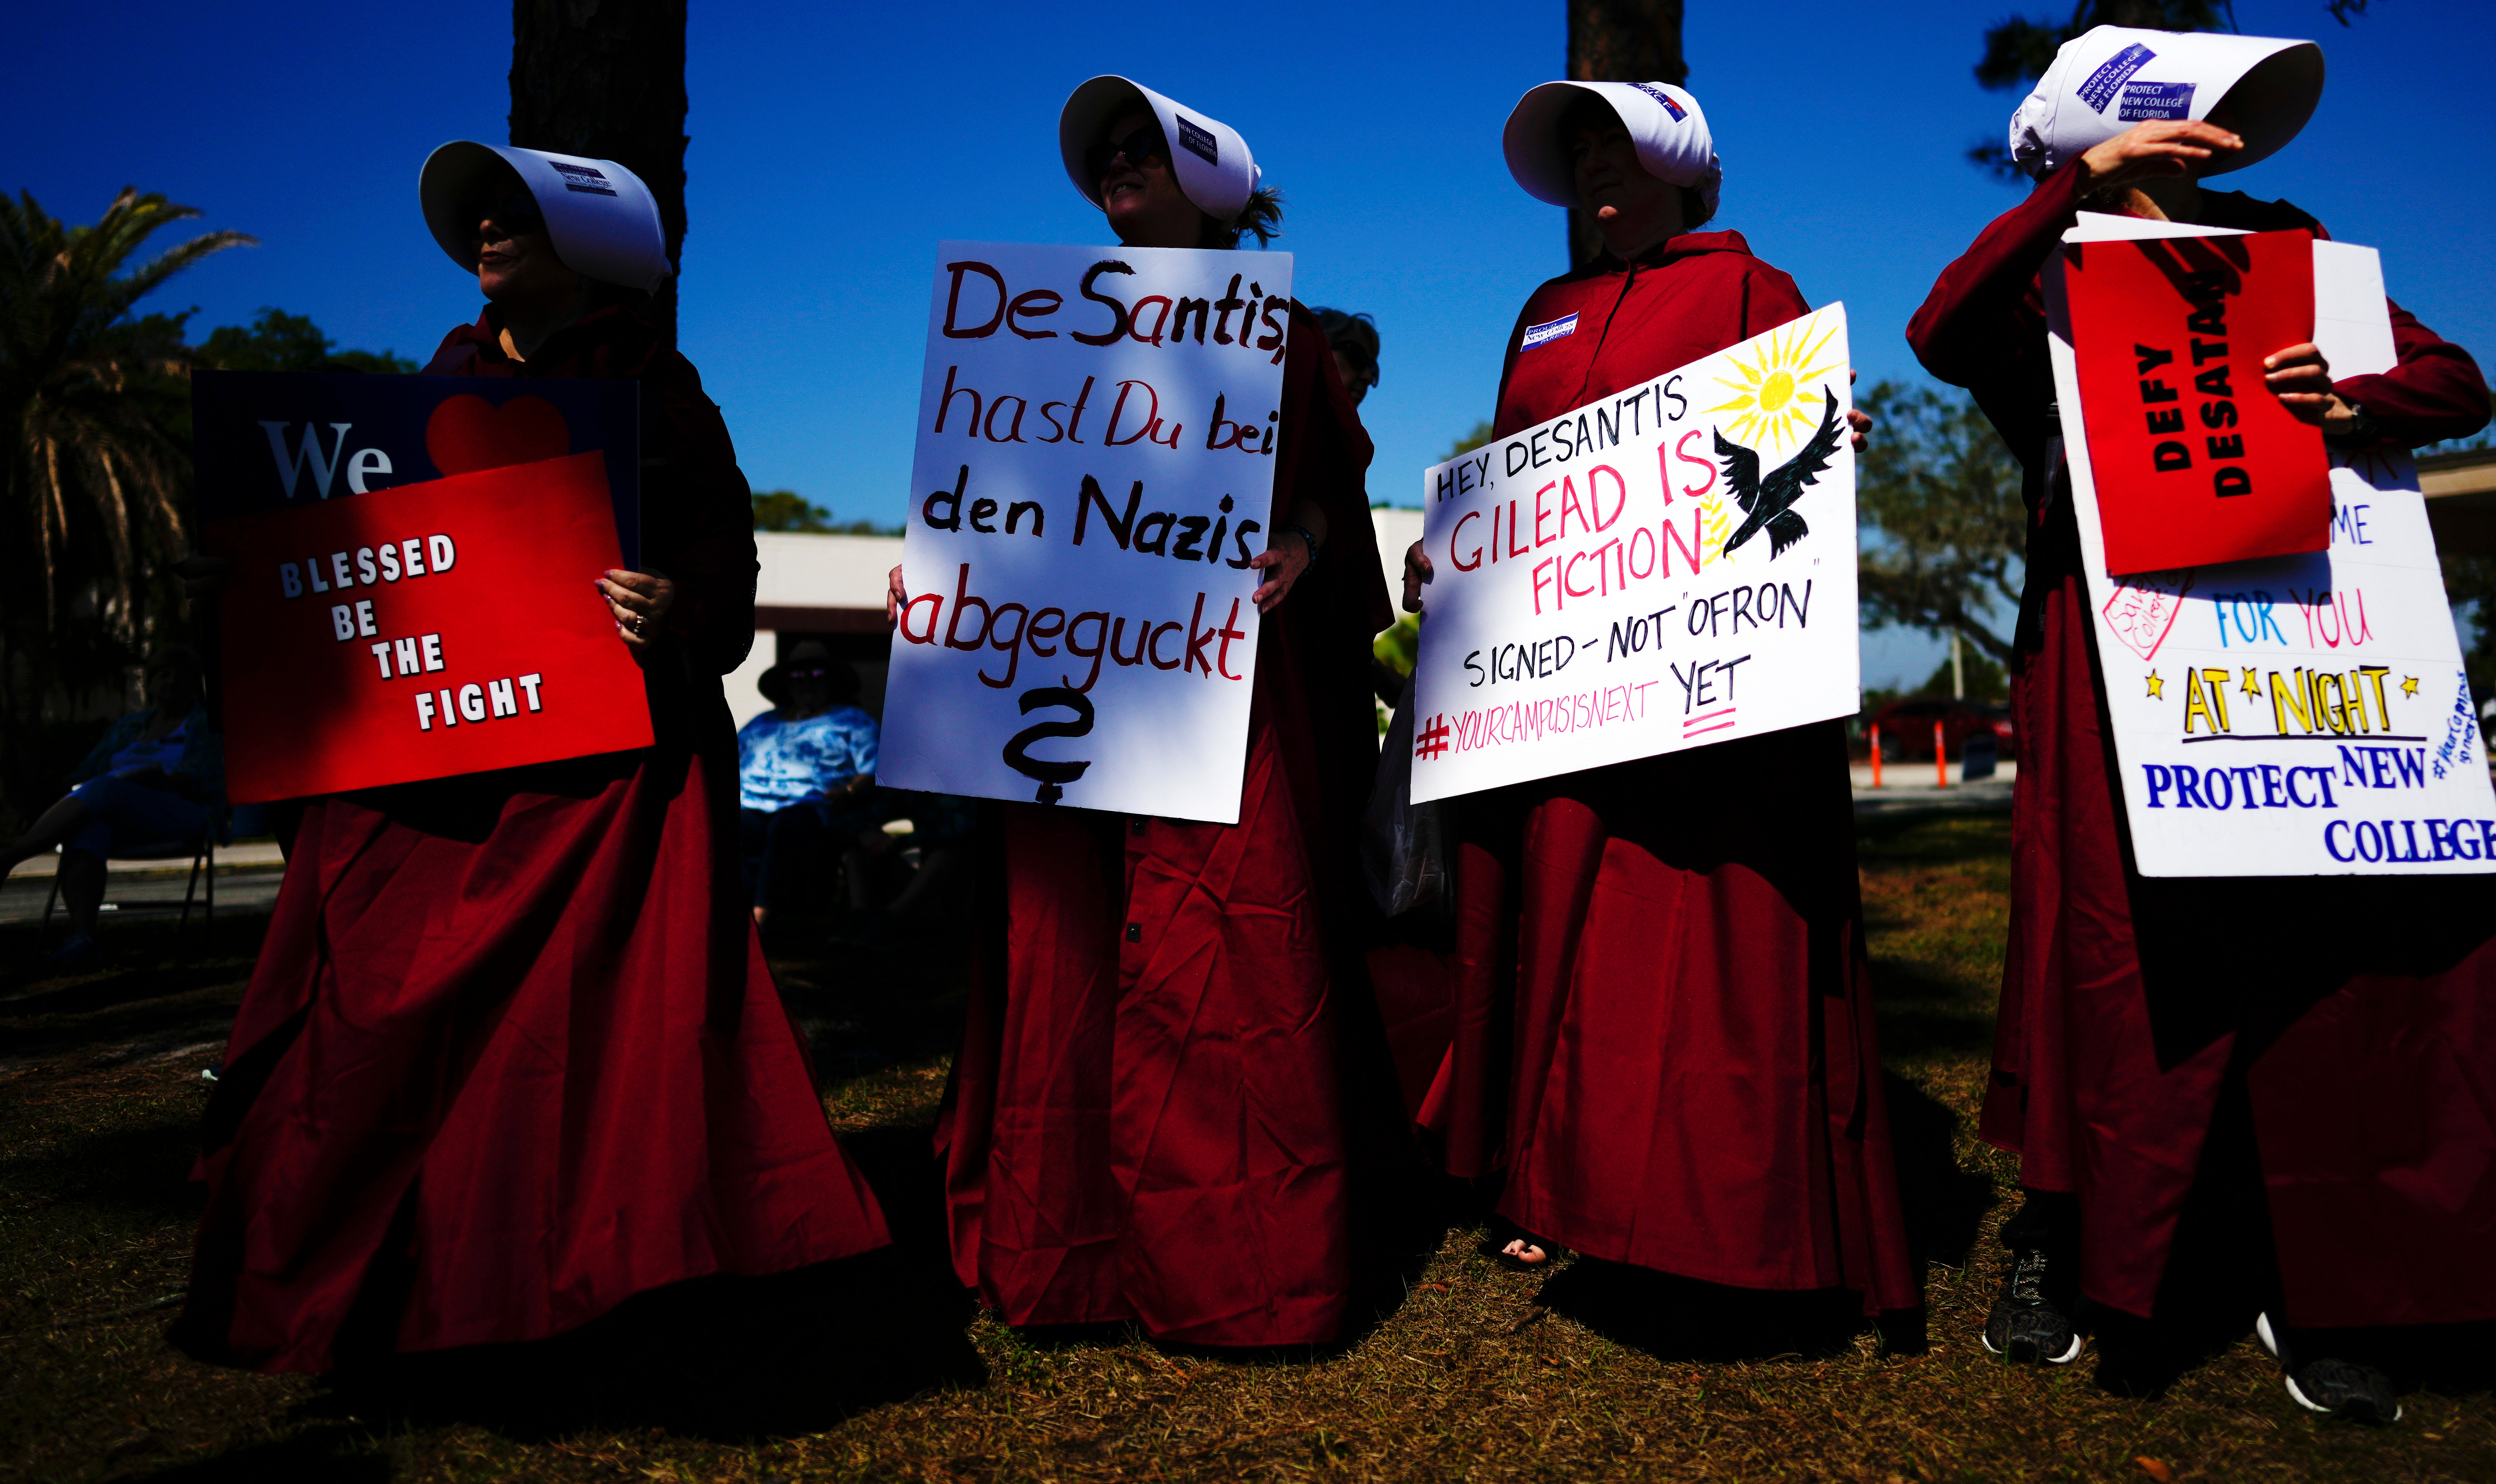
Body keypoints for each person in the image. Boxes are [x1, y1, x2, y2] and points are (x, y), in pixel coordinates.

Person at [1907, 27, 2496, 1422]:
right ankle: (2063, 1227)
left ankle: (2327, 1273)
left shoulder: (2289, 247)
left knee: (2319, 972)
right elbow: (1940, 332)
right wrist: (2075, 191)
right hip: (2110, 669)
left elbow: (2454, 378)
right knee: (2102, 964)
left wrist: (2348, 401)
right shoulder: (2044, 270)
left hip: (2295, 662)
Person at [170, 142, 888, 1375]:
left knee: (577, 1032)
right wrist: (247, 586)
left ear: (589, 243)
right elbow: (361, 570)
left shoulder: (661, 394)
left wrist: (676, 606)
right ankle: (368, 1281)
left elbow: (725, 573)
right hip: (430, 781)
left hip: (600, 778)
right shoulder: (428, 388)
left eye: (519, 212)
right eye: (482, 214)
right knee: (382, 1010)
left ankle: (571, 1283)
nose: (490, 228)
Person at [1397, 81, 1918, 1324]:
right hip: (1554, 695)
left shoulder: (1751, 290)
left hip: (1698, 703)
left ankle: (1722, 1209)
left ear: (1684, 164)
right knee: (1555, 925)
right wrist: (1451, 553)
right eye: (1577, 148)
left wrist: (1824, 439)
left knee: (1694, 933)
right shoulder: (1543, 310)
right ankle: (1547, 1181)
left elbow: (1781, 460)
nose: (1593, 164)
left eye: (1616, 142)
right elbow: (1521, 482)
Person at [897, 77, 1396, 1348]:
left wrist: (1303, 542)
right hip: (1068, 702)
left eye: (1144, 148)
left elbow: (1329, 492)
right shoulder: (1042, 325)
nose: (1117, 164)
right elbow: (1000, 497)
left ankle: (1237, 1266)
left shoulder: (1278, 335)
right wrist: (945, 580)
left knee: (1223, 955)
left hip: (1219, 698)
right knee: (1063, 964)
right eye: (1106, 153)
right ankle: (1062, 1254)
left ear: (1207, 182)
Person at [0, 648, 219, 966]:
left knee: (107, 787)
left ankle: (4, 862)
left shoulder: (204, 726)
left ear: (195, 683)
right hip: (122, 815)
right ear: (151, 682)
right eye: (164, 674)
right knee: (90, 826)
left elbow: (198, 781)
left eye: (180, 675)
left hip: (181, 812)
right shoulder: (129, 727)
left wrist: (141, 783)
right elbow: (84, 773)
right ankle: (83, 938)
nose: (171, 682)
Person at [736, 639, 880, 925]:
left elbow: (875, 767)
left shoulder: (852, 721)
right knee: (728, 829)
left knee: (789, 827)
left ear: (831, 681)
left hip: (810, 805)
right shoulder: (763, 723)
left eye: (816, 675)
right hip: (750, 803)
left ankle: (763, 918)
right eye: (798, 676)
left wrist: (850, 791)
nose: (807, 684)